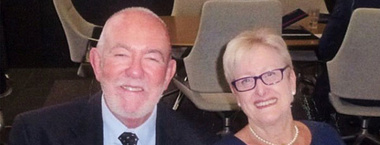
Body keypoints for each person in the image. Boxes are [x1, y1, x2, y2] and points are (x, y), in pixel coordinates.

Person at [9, 7, 211, 145]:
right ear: (97, 63)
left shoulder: (197, 141)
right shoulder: (37, 135)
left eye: (151, 58)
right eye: (122, 55)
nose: (135, 71)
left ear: (168, 74)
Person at [214, 28, 345, 145]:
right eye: (246, 81)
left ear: (291, 81)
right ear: (236, 93)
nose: (261, 90)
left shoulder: (326, 136)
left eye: (270, 75)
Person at [313, 0, 380, 122]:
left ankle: (326, 132)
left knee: (308, 101)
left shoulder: (348, 3)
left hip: (347, 92)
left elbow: (325, 51)